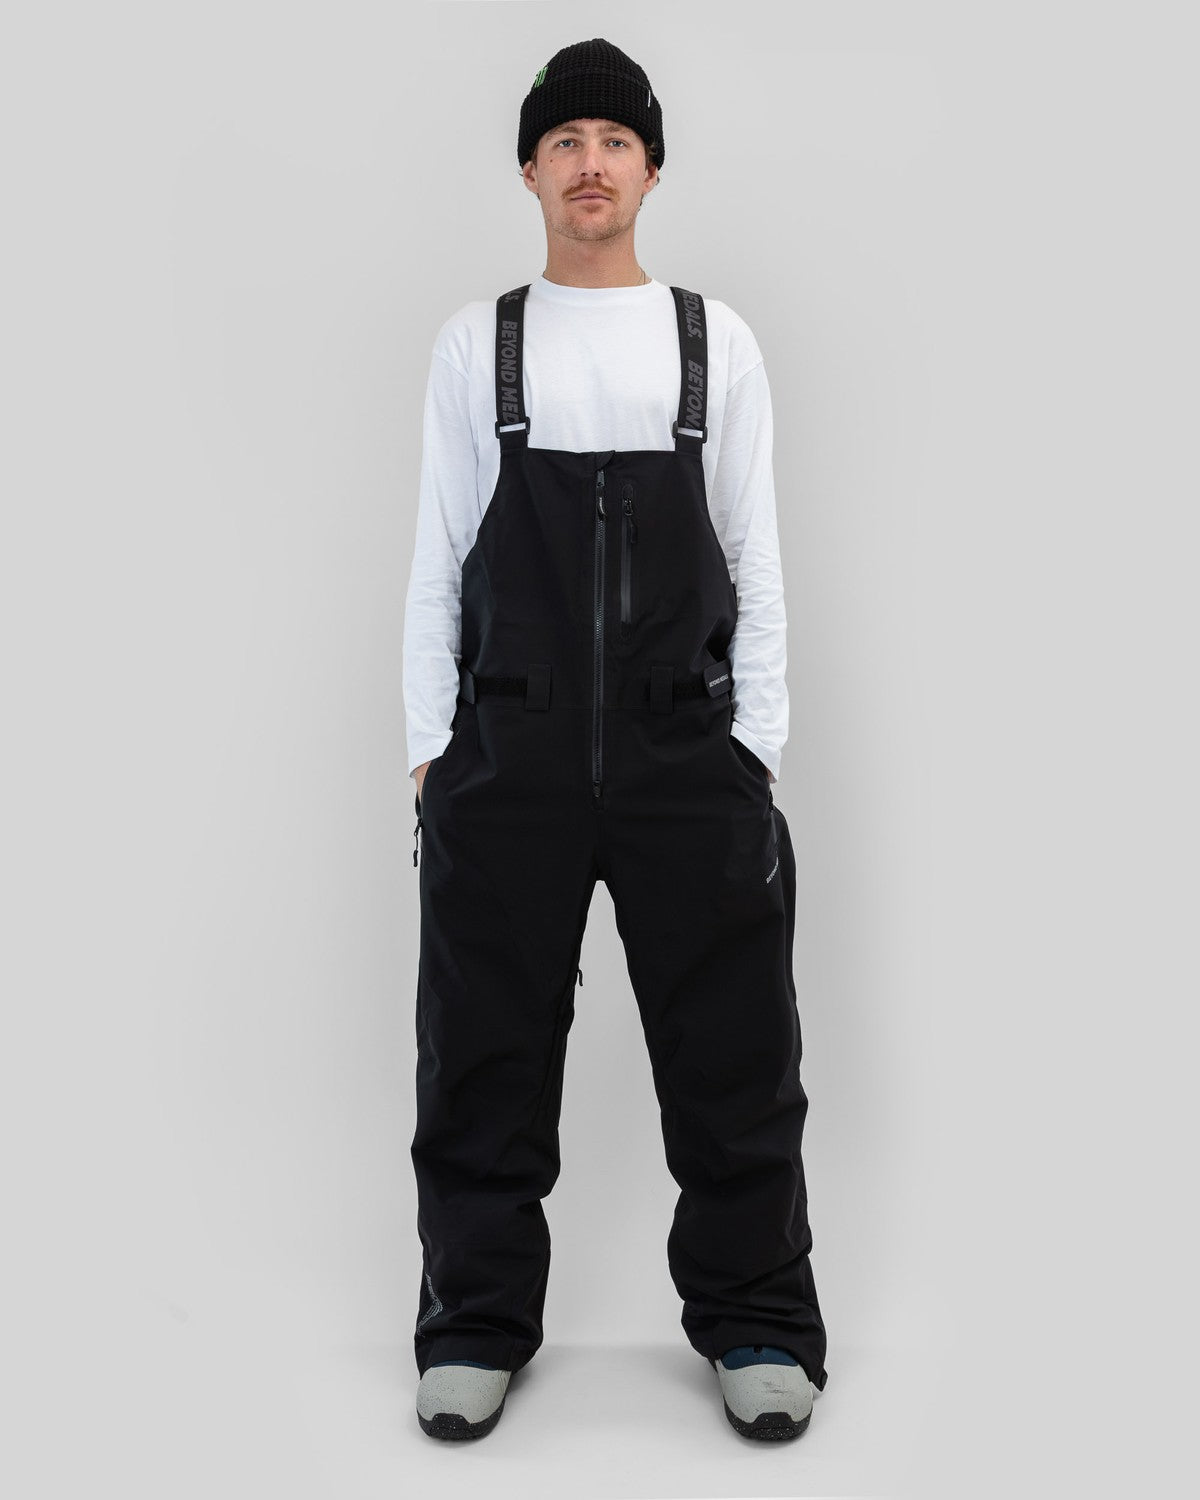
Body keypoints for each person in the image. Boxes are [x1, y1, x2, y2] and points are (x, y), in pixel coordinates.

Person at [403, 38, 829, 1442]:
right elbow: (437, 563)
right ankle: (473, 1324)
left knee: (735, 1057)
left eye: (617, 141)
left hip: (688, 756)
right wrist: (432, 755)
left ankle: (758, 1321)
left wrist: (754, 753)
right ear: (531, 171)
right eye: (566, 141)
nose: (592, 164)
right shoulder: (479, 344)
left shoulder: (715, 342)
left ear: (650, 171)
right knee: (481, 1055)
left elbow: (757, 562)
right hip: (506, 757)